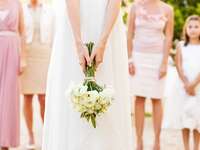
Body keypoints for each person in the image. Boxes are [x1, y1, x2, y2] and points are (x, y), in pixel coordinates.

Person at [42, 0, 133, 149]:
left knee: (107, 87)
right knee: (70, 91)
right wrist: (78, 42)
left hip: (107, 26)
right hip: (74, 26)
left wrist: (103, 42)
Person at [127, 0, 174, 149]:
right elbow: (129, 35)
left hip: (158, 58)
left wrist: (165, 62)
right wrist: (130, 59)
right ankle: (139, 140)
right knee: (139, 98)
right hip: (138, 57)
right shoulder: (134, 6)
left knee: (157, 98)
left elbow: (168, 37)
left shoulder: (167, 9)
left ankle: (157, 141)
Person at [20, 0, 54, 148]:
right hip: (27, 54)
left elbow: (54, 34)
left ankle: (46, 133)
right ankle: (31, 136)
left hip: (44, 54)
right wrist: (21, 57)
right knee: (27, 96)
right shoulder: (22, 8)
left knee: (43, 97)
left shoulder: (49, 9)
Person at [165, 15, 200, 150]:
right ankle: (186, 147)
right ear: (186, 29)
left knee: (197, 119)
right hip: (183, 87)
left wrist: (194, 84)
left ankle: (196, 147)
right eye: (190, 27)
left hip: (198, 87)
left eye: (196, 27)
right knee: (184, 119)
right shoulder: (181, 45)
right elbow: (178, 64)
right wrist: (186, 83)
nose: (193, 29)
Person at [0, 0, 26, 149]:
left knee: (9, 96)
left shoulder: (17, 3)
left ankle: (6, 140)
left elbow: (22, 32)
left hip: (12, 51)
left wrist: (23, 58)